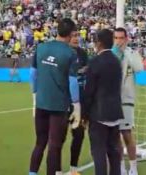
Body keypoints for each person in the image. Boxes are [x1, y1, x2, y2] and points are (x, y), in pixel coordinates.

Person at [29, 18, 77, 175]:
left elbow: (33, 74)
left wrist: (35, 95)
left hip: (41, 102)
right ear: (70, 34)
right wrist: (76, 104)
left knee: (39, 142)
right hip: (58, 105)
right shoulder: (70, 53)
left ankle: (32, 173)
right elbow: (72, 82)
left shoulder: (41, 47)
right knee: (54, 145)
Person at [83, 29, 123, 175]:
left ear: (98, 43)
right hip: (115, 111)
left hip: (99, 113)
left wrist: (84, 115)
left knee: (99, 152)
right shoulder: (116, 61)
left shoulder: (95, 62)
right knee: (114, 151)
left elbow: (89, 91)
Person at [112, 27, 144, 175]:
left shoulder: (132, 53)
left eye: (121, 38)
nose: (118, 41)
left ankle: (133, 168)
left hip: (126, 100)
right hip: (111, 100)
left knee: (126, 134)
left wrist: (126, 53)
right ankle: (121, 168)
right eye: (116, 38)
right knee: (115, 136)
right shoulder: (111, 54)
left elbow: (139, 68)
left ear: (126, 39)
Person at [68, 30, 89, 175]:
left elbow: (88, 70)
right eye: (73, 36)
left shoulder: (82, 53)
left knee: (79, 134)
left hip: (80, 101)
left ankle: (73, 168)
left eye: (77, 35)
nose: (76, 38)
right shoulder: (62, 54)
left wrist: (85, 70)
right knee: (58, 137)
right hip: (63, 101)